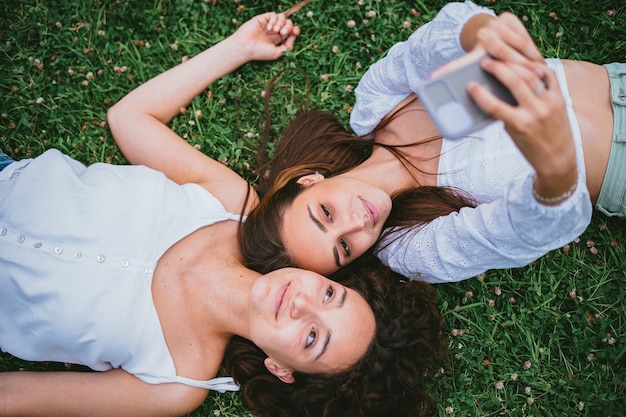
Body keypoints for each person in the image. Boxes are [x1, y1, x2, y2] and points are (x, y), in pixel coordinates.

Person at [0, 12, 445, 417]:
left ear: (282, 369)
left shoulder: (175, 384)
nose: (301, 304)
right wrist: (240, 46)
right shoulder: (231, 205)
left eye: (311, 338)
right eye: (329, 295)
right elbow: (130, 118)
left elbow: (12, 397)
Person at [240, 1, 624, 283]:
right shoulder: (409, 246)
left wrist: (479, 33)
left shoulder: (374, 108)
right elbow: (517, 232)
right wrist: (553, 168)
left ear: (310, 180)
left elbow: (437, 39)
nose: (356, 223)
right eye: (343, 248)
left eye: (326, 213)